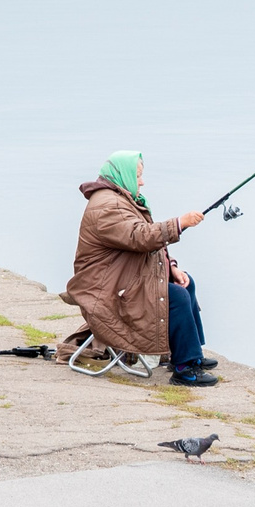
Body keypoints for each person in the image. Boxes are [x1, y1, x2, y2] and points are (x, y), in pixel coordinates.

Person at [61, 151, 217, 387]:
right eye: (138, 176)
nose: (142, 182)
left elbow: (144, 245)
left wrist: (172, 267)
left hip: (121, 279)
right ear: (123, 176)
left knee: (185, 282)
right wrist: (179, 224)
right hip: (106, 291)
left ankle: (188, 354)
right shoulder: (107, 206)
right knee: (174, 296)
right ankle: (186, 370)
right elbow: (139, 237)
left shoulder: (120, 199)